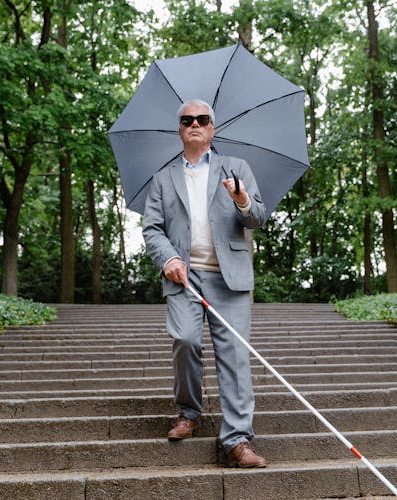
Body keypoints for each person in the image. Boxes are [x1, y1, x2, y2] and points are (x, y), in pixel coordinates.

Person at [142, 99, 268, 468]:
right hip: (185, 277)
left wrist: (242, 199)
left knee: (234, 356)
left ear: (213, 128)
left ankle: (237, 439)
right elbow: (151, 228)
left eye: (202, 119)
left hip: (229, 277)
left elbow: (257, 217)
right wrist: (168, 258)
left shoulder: (237, 167)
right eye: (187, 120)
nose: (194, 123)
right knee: (185, 339)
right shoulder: (163, 178)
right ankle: (189, 412)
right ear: (180, 129)